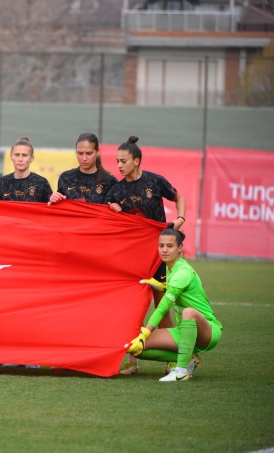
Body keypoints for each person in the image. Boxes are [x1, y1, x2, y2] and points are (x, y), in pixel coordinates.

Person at [105, 136, 187, 375]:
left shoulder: (155, 181)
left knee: (161, 304)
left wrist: (179, 220)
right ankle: (133, 362)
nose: (119, 165)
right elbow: (105, 220)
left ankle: (173, 359)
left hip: (159, 254)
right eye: (117, 161)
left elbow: (179, 198)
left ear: (136, 161)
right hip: (133, 256)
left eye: (124, 161)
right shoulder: (117, 189)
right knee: (133, 307)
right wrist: (115, 210)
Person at [126, 229, 221, 382]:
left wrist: (145, 334)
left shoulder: (182, 271)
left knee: (188, 313)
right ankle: (189, 357)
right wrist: (160, 286)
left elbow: (164, 306)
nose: (164, 250)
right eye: (161, 245)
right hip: (183, 332)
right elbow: (173, 288)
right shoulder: (170, 267)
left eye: (170, 246)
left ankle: (181, 372)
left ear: (179, 248)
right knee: (136, 348)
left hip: (207, 331)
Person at [49, 132, 118, 205]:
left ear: (97, 152)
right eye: (80, 153)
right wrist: (53, 200)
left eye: (89, 153)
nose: (84, 158)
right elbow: (58, 208)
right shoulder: (66, 178)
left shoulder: (110, 182)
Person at [0, 137, 52, 203]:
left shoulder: (41, 182)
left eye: (24, 155)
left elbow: (51, 207)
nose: (20, 159)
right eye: (17, 155)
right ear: (11, 157)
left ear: (31, 158)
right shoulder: (2, 182)